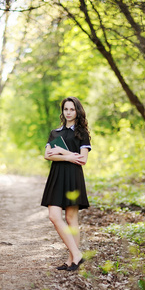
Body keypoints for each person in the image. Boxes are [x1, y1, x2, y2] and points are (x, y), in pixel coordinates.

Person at [41, 96, 91, 272]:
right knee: (54, 216)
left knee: (71, 219)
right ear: (62, 111)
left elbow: (83, 159)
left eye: (72, 109)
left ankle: (72, 260)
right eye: (66, 109)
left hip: (73, 177)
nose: (68, 112)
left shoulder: (81, 133)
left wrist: (62, 151)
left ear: (77, 111)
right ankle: (77, 254)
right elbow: (48, 155)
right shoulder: (55, 133)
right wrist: (69, 156)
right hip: (57, 176)